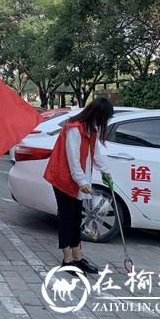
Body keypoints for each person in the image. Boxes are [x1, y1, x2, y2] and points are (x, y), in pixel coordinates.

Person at [44, 97, 114, 275]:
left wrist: (106, 173)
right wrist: (82, 182)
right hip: (64, 180)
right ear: (97, 115)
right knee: (67, 219)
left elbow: (96, 155)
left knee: (77, 220)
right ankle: (67, 260)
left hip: (78, 182)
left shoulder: (92, 130)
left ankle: (78, 257)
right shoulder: (74, 129)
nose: (104, 123)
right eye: (105, 119)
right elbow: (73, 159)